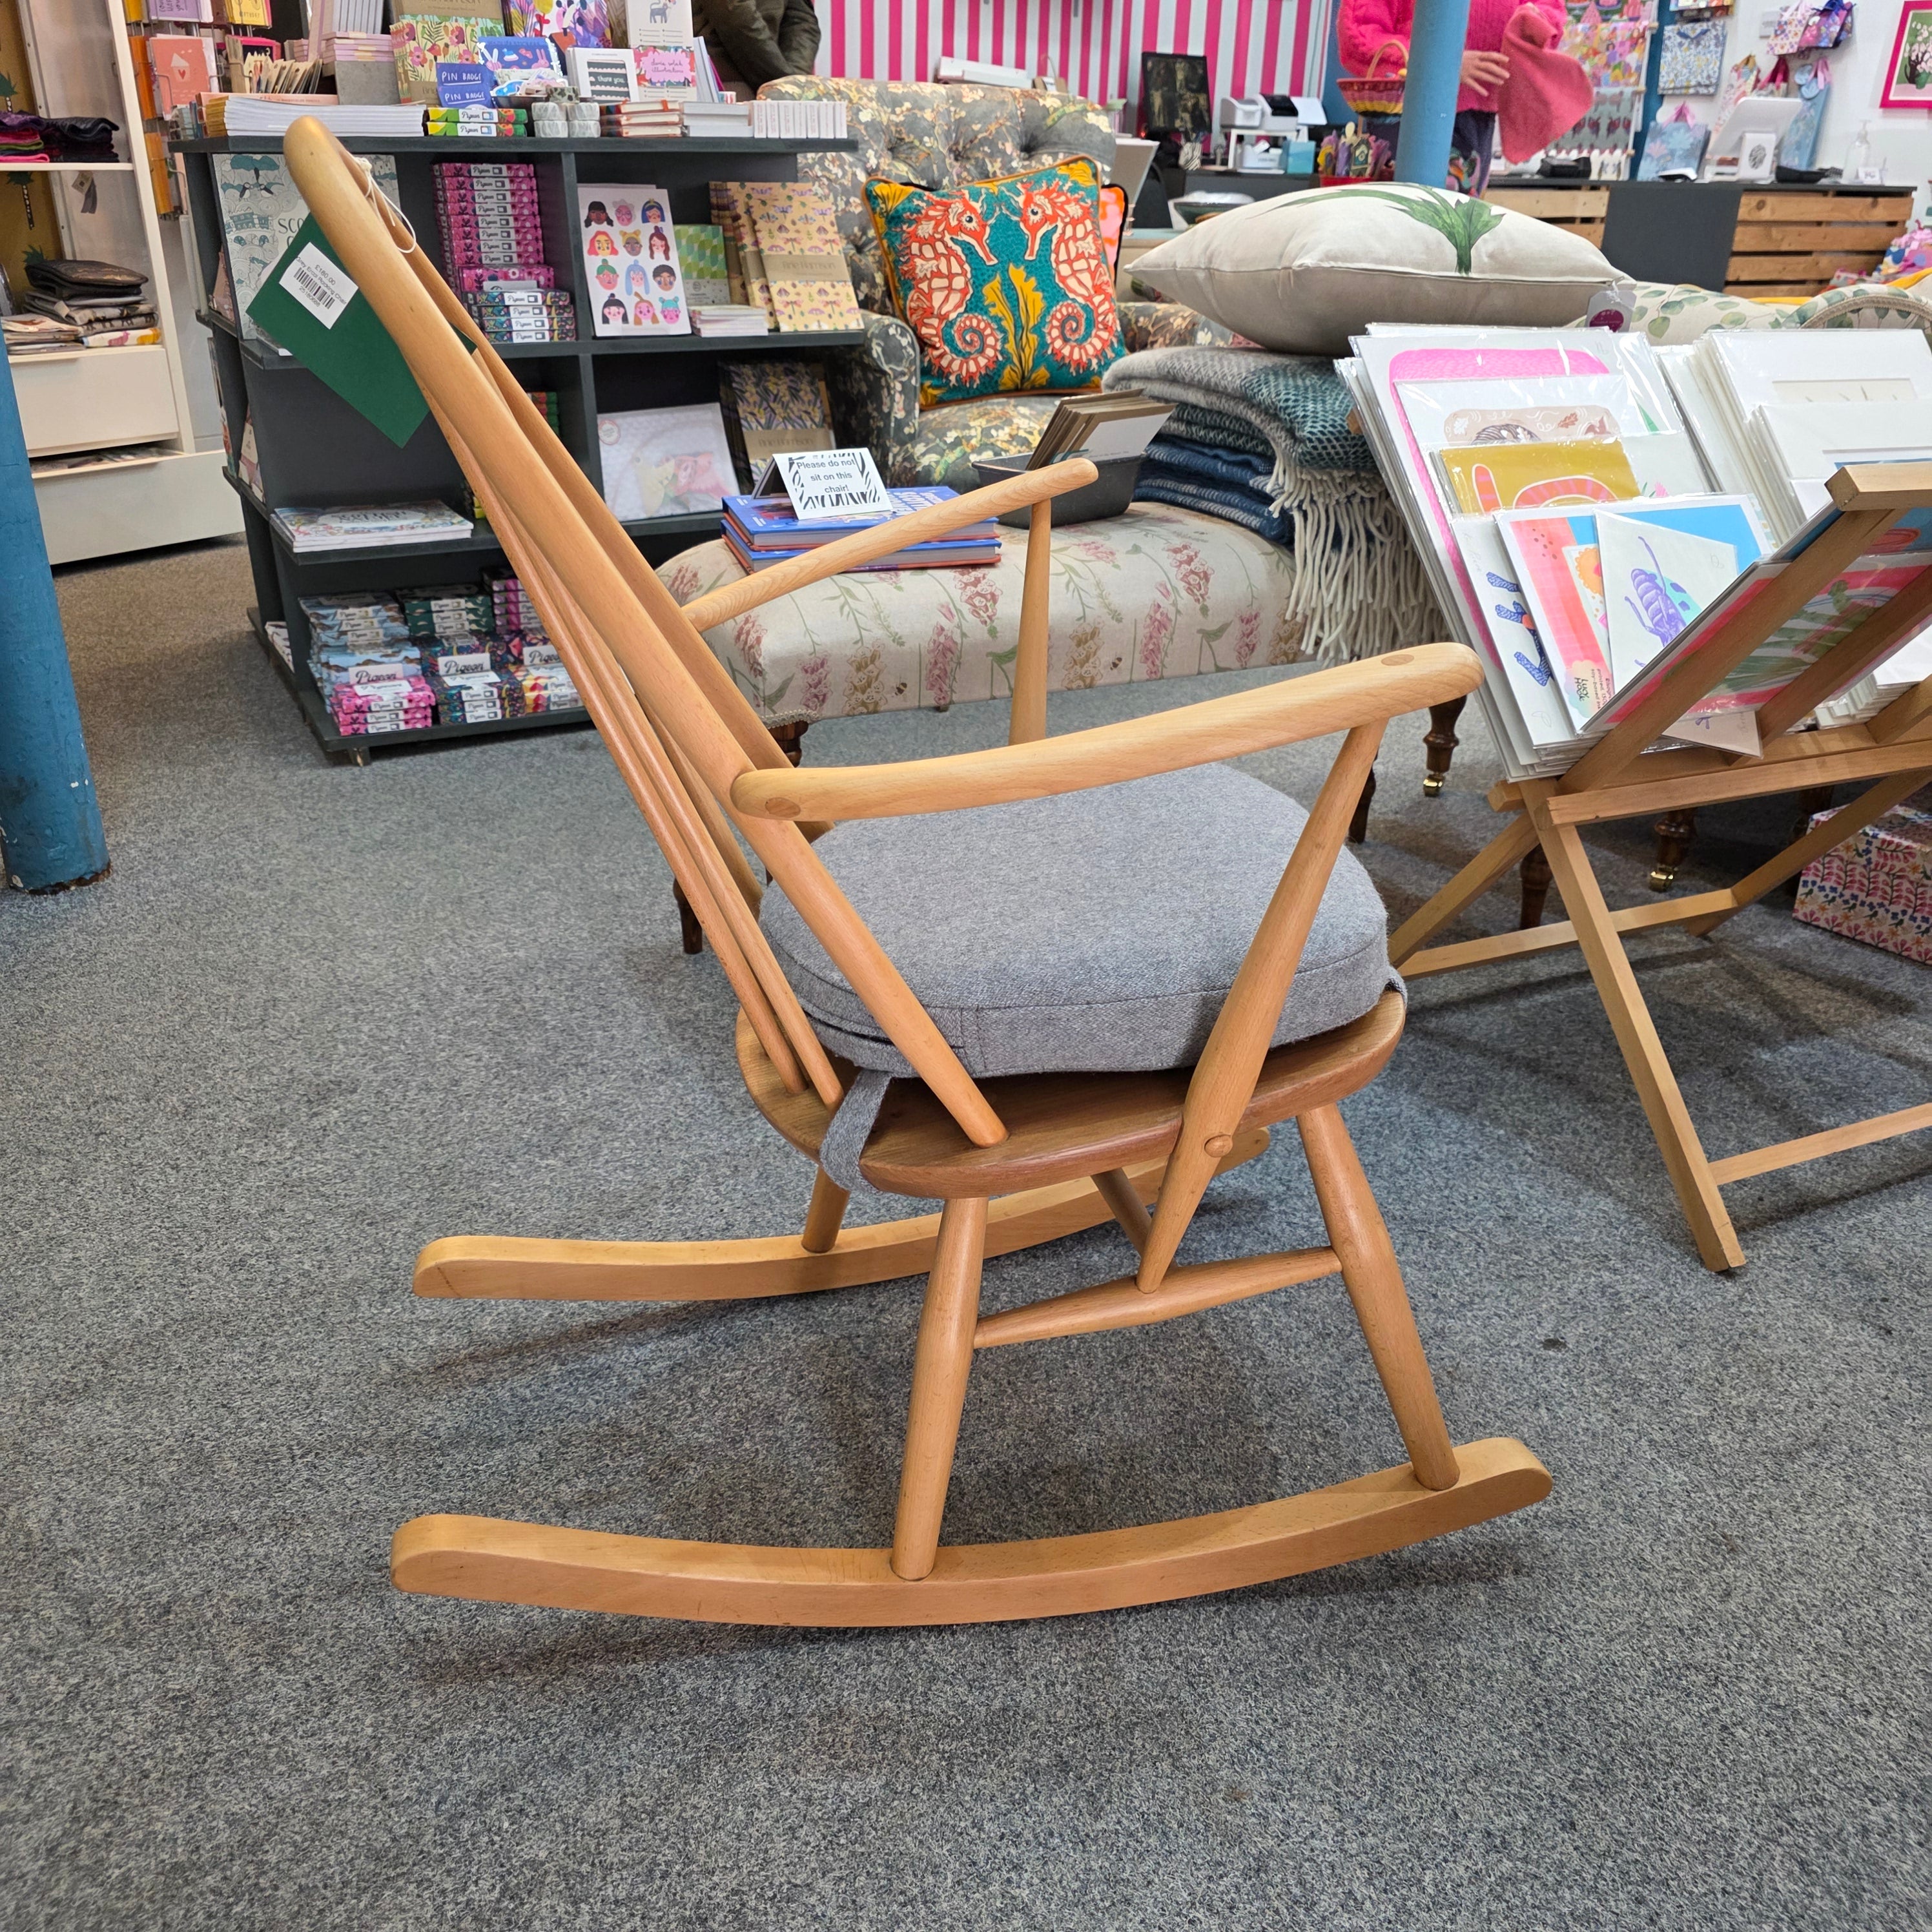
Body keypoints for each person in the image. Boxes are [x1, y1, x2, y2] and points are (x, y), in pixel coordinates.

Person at [1338, 0, 1566, 194]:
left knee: (1460, 227)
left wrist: (1537, 21)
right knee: (1402, 223)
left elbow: (1547, 11)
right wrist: (1441, 63)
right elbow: (1358, 36)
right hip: (1405, 116)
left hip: (1479, 119)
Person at [692, 0, 821, 98]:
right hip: (724, 85)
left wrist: (793, 83)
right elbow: (733, 11)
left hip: (770, 87)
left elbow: (799, 20)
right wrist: (784, 83)